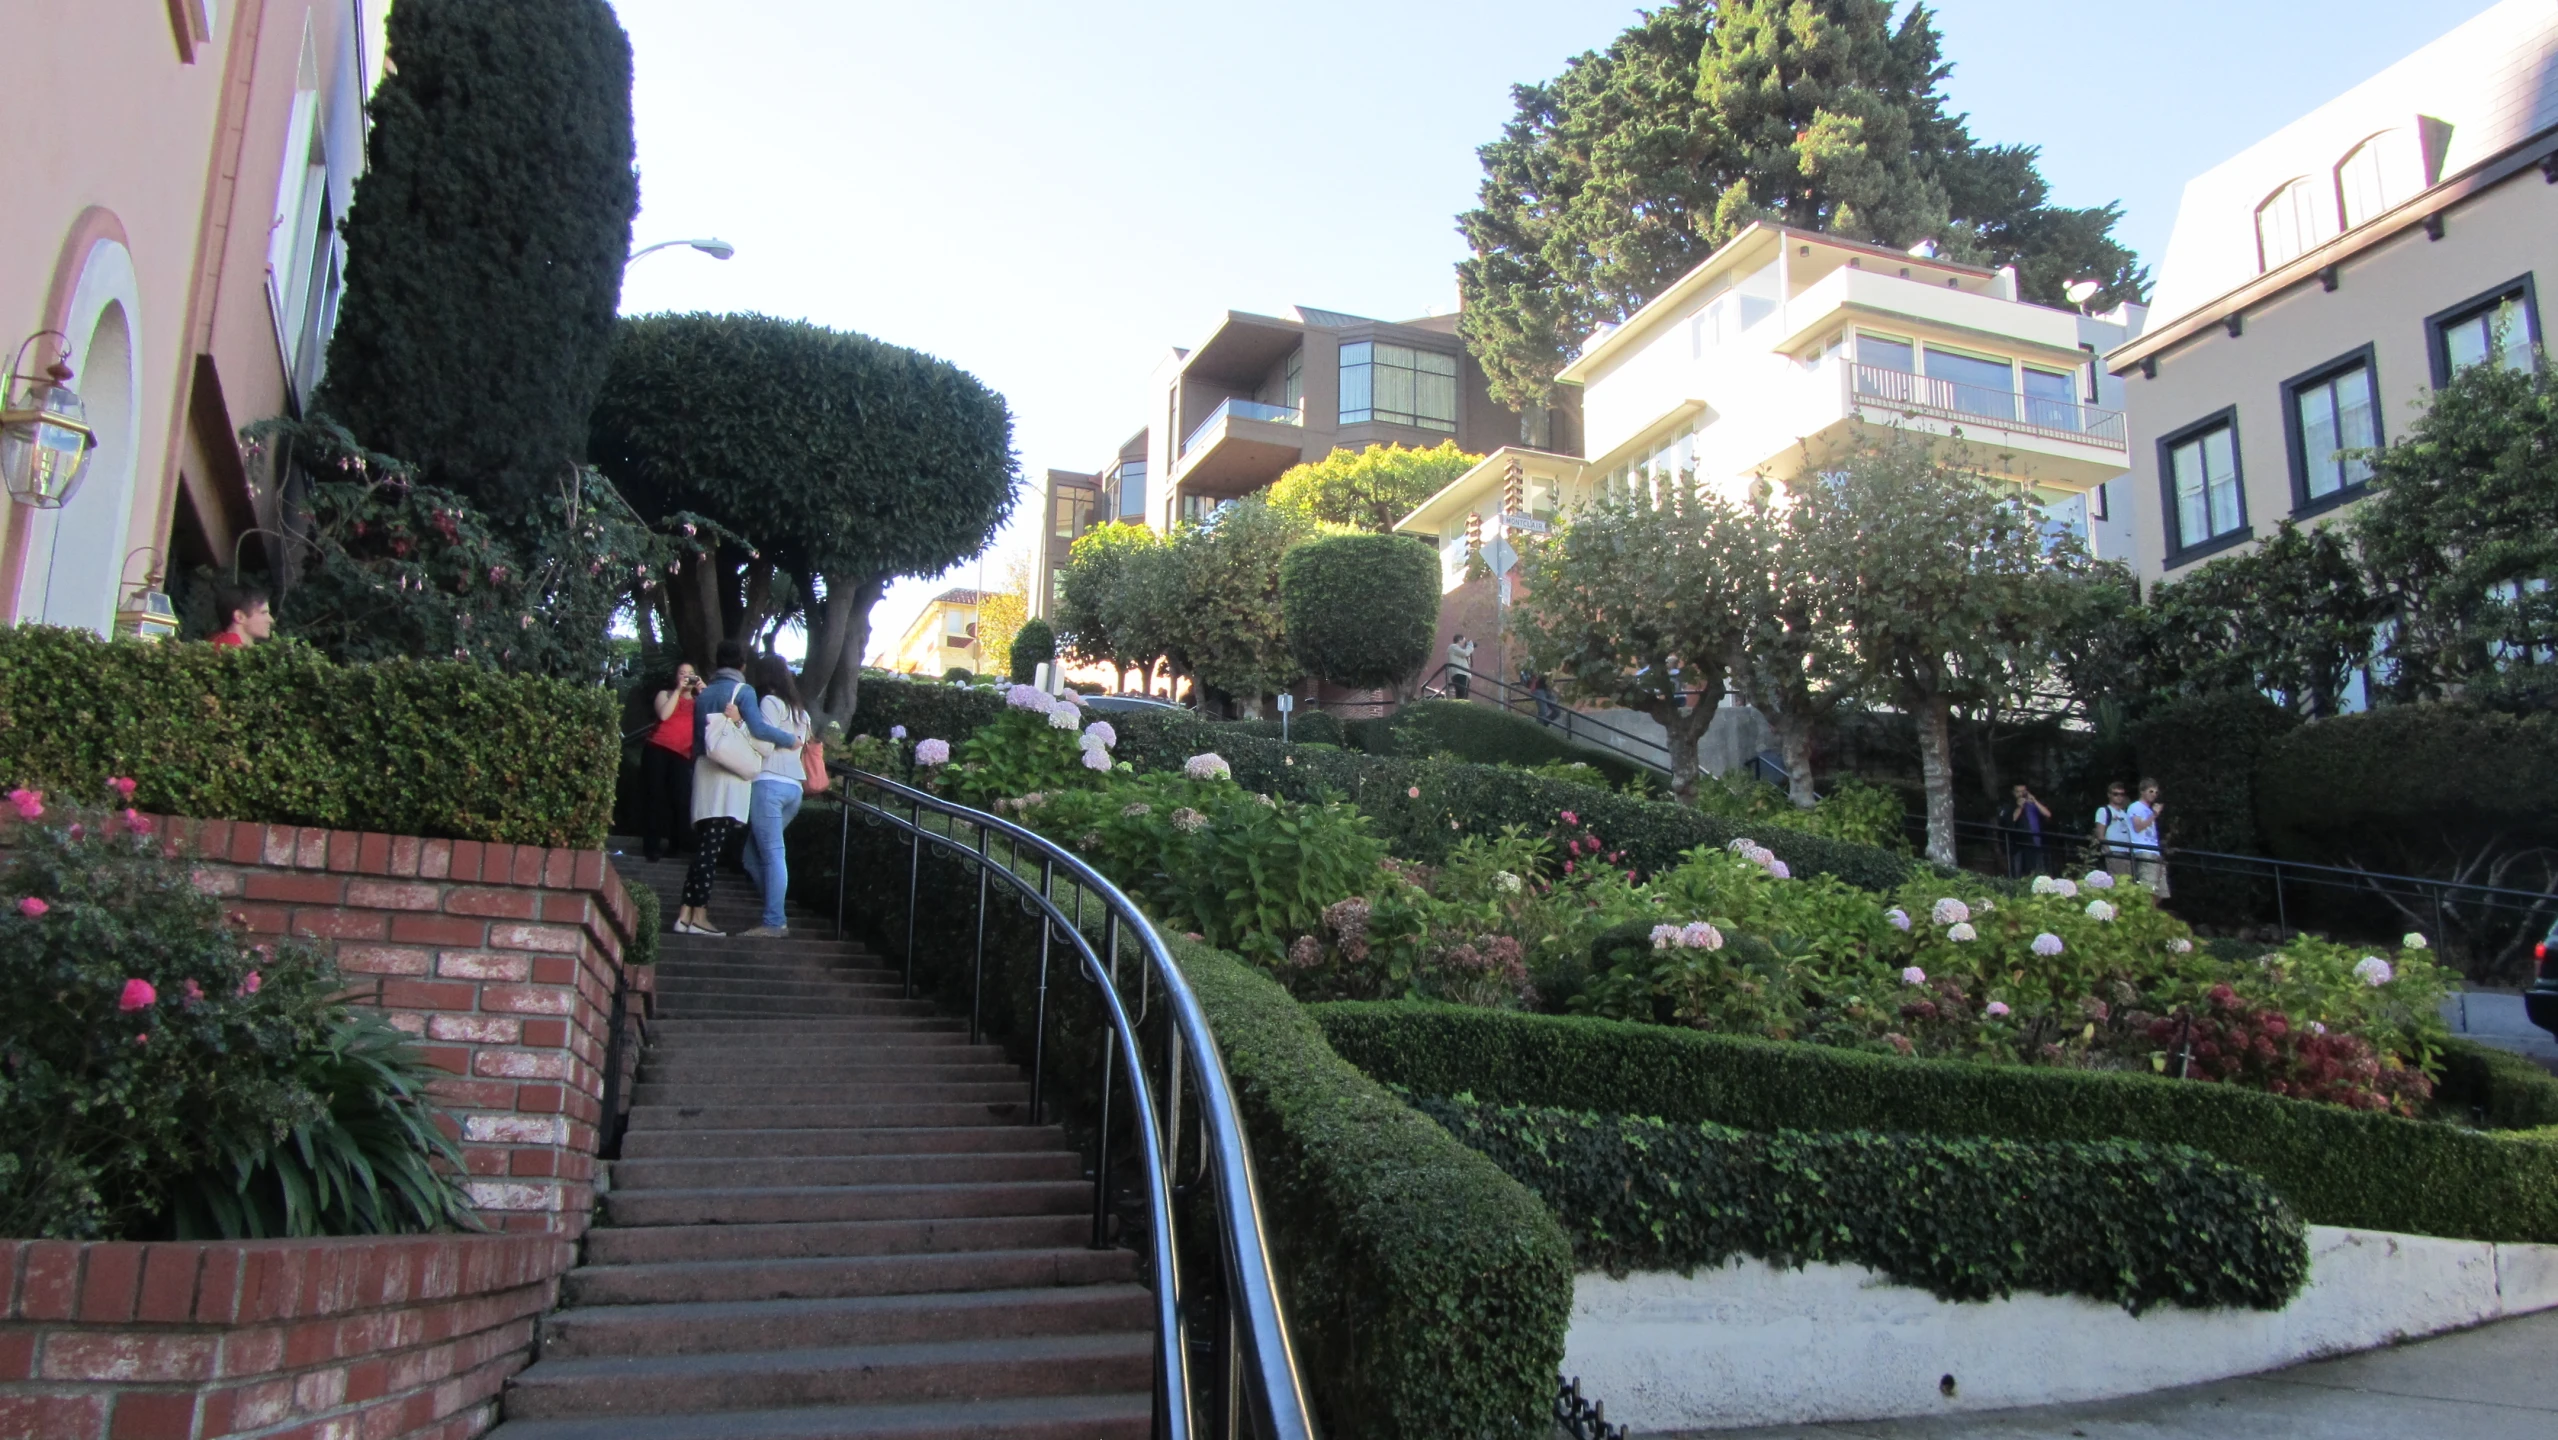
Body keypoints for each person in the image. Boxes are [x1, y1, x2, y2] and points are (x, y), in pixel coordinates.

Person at [676, 640, 802, 937]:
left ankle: (686, 913)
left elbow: (699, 736)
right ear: (742, 665)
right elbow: (758, 731)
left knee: (705, 844)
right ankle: (699, 916)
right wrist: (788, 740)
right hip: (729, 776)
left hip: (704, 770)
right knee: (713, 848)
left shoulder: (705, 694)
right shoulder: (743, 692)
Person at [736, 654, 813, 938]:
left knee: (771, 854)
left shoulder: (769, 702)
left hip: (769, 782)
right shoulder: (801, 711)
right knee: (751, 855)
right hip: (794, 787)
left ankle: (774, 920)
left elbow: (763, 735)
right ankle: (774, 907)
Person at [639, 664, 701, 864]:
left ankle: (676, 844)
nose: (686, 677)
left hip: (682, 754)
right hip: (658, 748)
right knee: (654, 796)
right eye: (682, 673)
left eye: (690, 673)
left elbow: (714, 712)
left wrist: (701, 687)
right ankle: (652, 846)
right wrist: (678, 691)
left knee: (680, 799)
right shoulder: (665, 694)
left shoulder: (699, 701)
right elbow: (664, 715)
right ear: (676, 677)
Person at [2128, 777, 2171, 897]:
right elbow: (2138, 827)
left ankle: (2152, 913)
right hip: (2143, 850)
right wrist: (2154, 814)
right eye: (2151, 791)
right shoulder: (2135, 807)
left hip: (2155, 851)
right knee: (2148, 889)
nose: (2154, 795)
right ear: (2142, 791)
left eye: (2156, 792)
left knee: (2161, 892)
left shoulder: (2148, 809)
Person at [2003, 783, 2053, 879]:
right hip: (2019, 845)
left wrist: (2035, 801)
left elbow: (2048, 814)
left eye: (2024, 791)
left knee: (2038, 871)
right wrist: (2020, 807)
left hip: (2036, 842)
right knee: (2020, 872)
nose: (2022, 794)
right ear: (2014, 793)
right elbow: (2011, 820)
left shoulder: (2032, 804)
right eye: (2018, 792)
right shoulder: (2011, 805)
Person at [2095, 783, 2139, 883]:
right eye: (2115, 794)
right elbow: (2100, 833)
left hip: (2127, 853)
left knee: (2128, 883)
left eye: (2121, 794)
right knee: (2118, 882)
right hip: (2114, 851)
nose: (2119, 797)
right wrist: (2108, 851)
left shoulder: (2125, 814)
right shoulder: (2104, 810)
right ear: (2109, 795)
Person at [208, 583, 273, 647]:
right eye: (263, 613)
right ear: (239, 617)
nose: (271, 620)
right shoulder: (229, 648)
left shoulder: (217, 642)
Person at [1447, 633, 1477, 700]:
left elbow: (1469, 663)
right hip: (1460, 674)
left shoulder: (1459, 651)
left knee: (1463, 696)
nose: (1465, 643)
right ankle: (1460, 708)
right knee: (1462, 696)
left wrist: (1469, 648)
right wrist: (1470, 645)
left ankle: (1460, 708)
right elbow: (1465, 653)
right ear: (1460, 640)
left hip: (1463, 675)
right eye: (1464, 641)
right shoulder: (1453, 647)